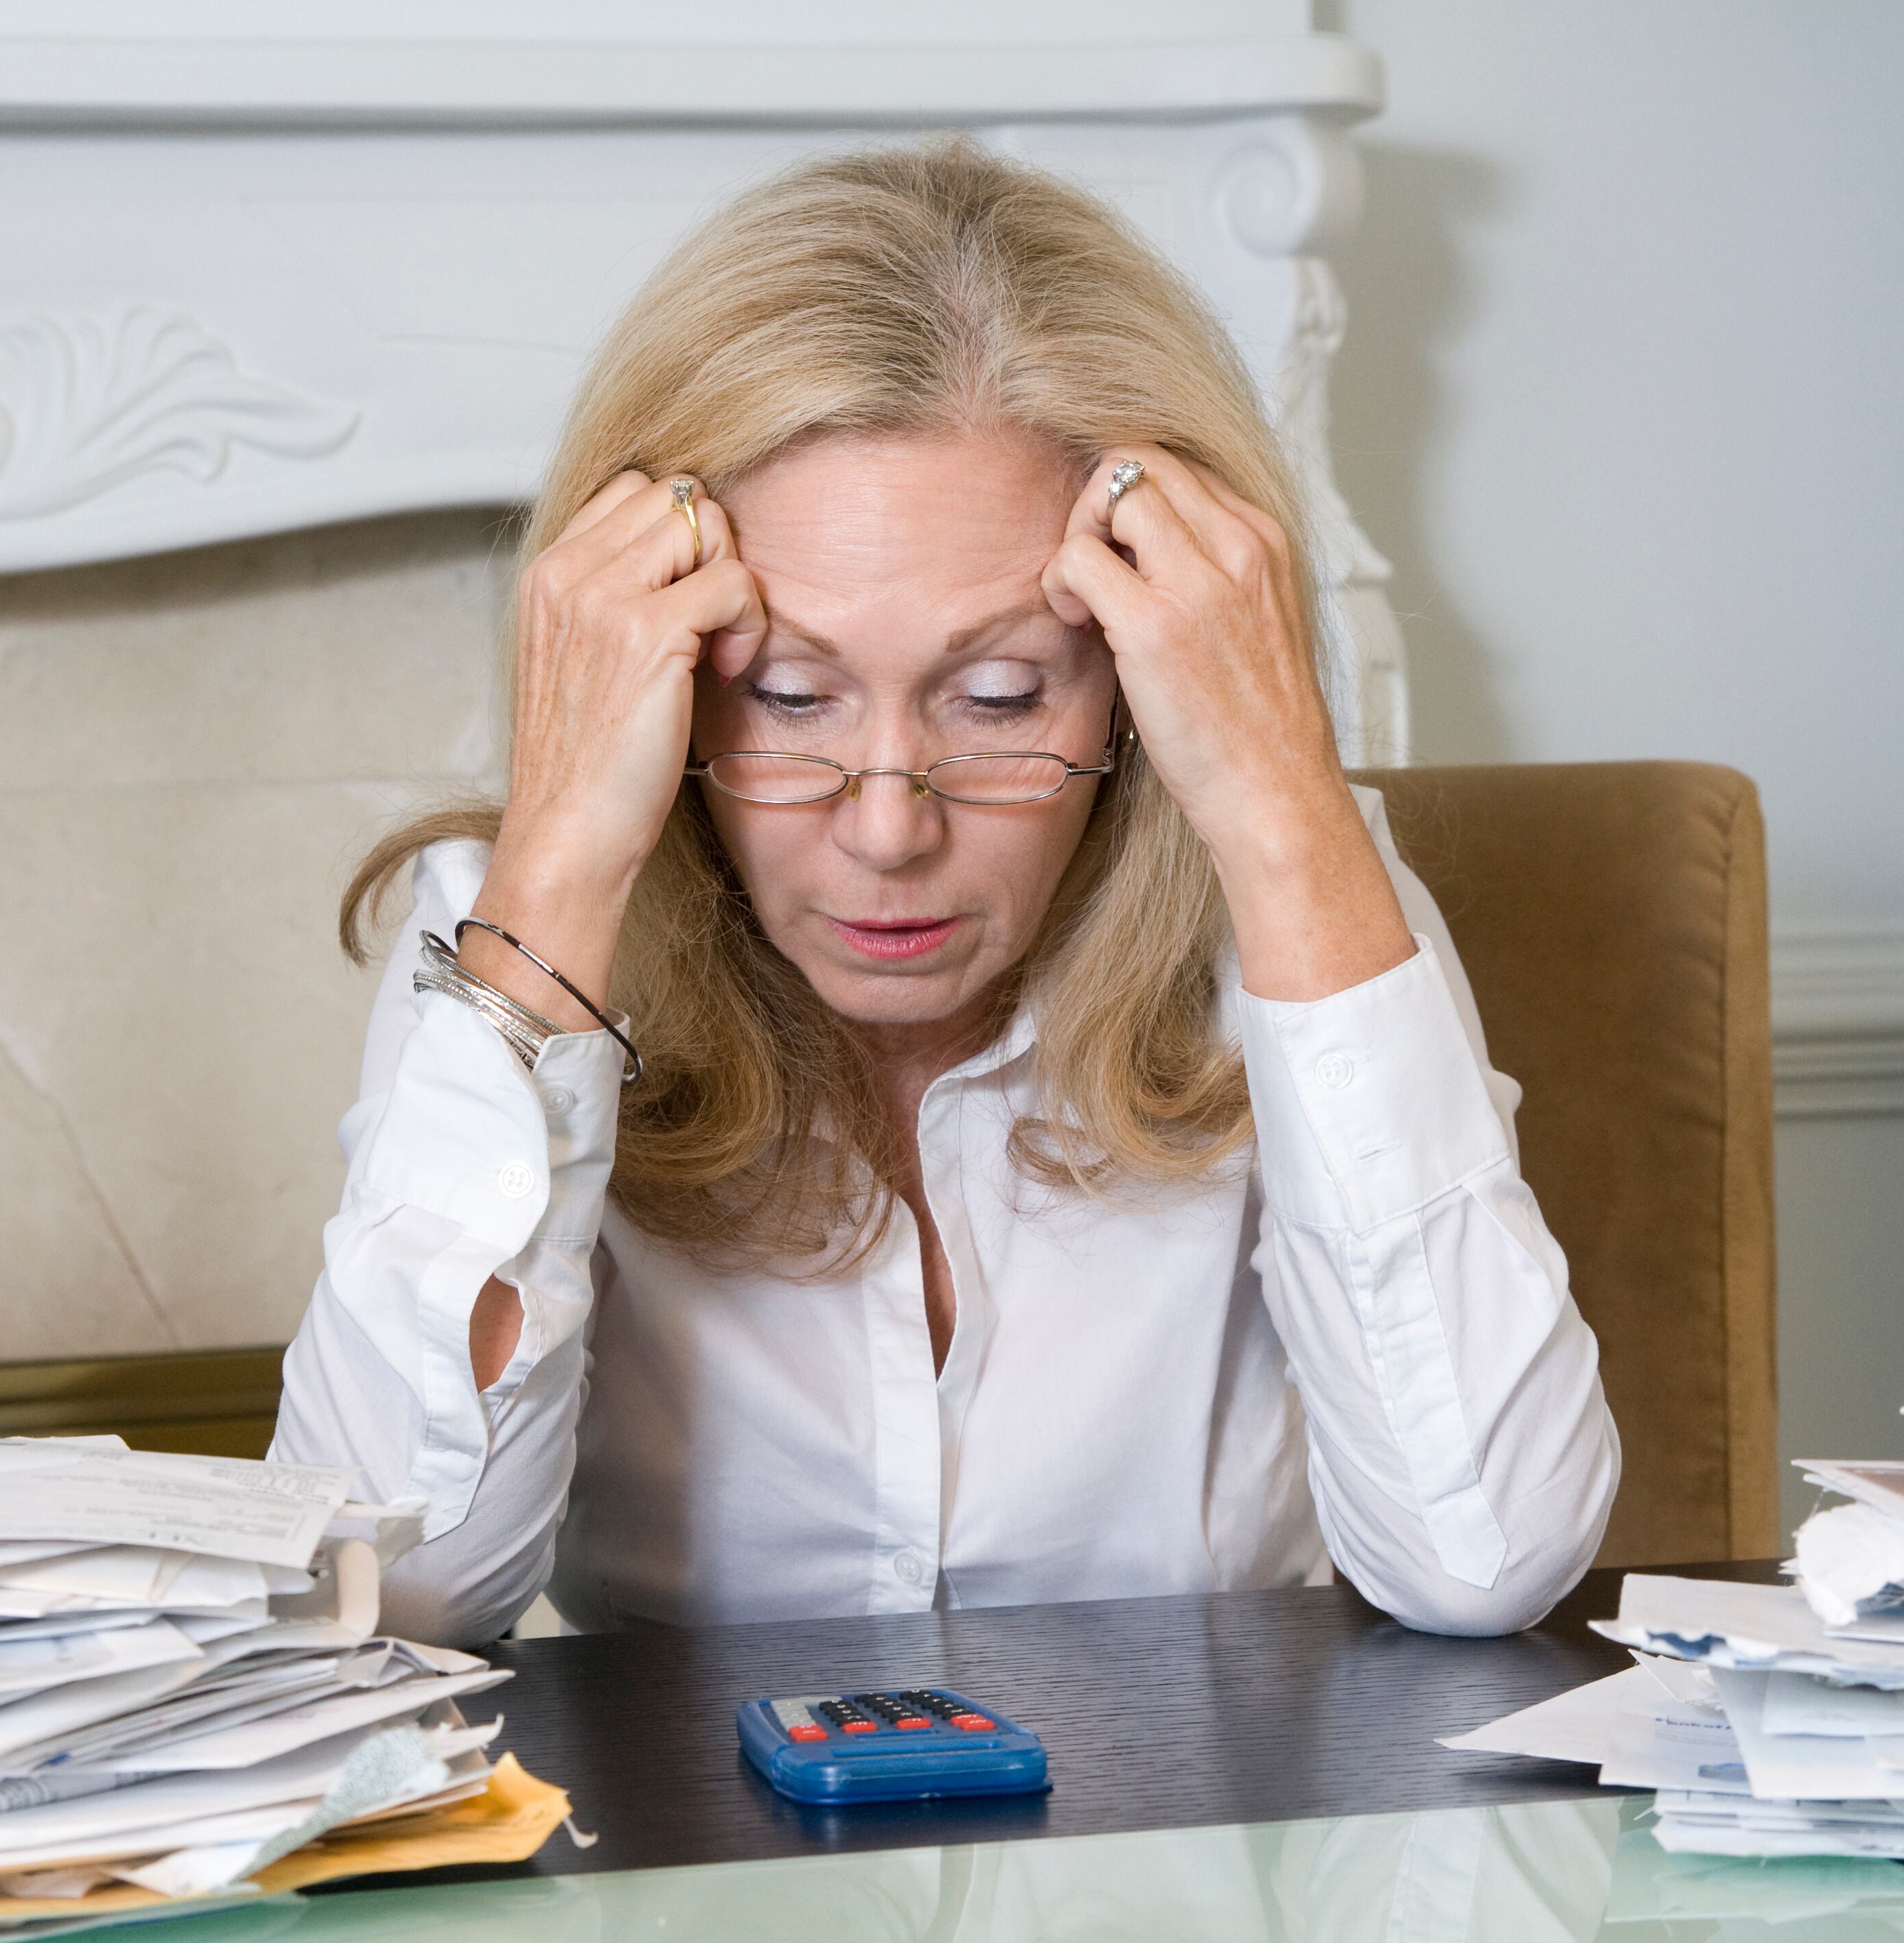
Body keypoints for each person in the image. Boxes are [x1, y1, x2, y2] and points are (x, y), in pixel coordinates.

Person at [272, 138, 1617, 1645]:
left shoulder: (1299, 906)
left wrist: (1280, 803)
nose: (889, 826)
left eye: (993, 695)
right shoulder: (508, 932)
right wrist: (568, 857)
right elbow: (395, 1590)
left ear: (1132, 671)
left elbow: (1482, 1556)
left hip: (1185, 1861)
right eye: (787, 694)